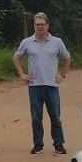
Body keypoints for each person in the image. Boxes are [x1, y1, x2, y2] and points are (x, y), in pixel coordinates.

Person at [13, 12, 71, 154]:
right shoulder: (27, 42)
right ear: (34, 25)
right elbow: (16, 57)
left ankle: (58, 144)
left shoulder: (57, 42)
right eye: (37, 24)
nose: (40, 27)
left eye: (42, 24)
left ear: (47, 26)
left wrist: (63, 74)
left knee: (55, 117)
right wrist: (21, 74)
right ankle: (38, 144)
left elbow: (67, 57)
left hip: (52, 86)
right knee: (36, 117)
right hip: (34, 86)